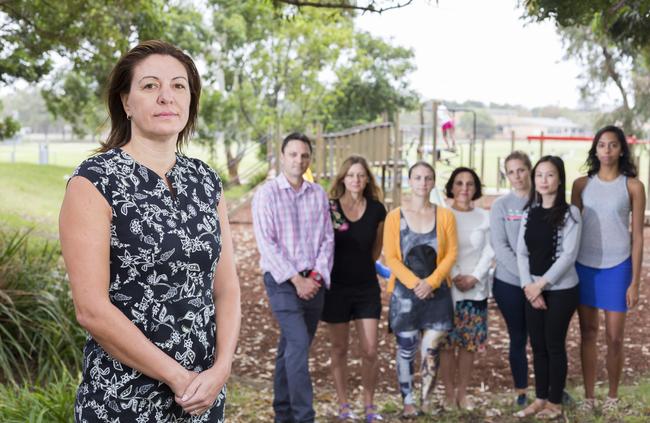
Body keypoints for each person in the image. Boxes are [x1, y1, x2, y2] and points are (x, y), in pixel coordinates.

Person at [59, 40, 241, 422]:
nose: (166, 97)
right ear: (126, 102)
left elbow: (226, 288)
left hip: (204, 397)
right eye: (149, 86)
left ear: (190, 100)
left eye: (178, 86)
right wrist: (178, 378)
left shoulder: (206, 181)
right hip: (122, 400)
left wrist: (221, 369)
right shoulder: (94, 182)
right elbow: (91, 309)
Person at [252, 132, 334, 423]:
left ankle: (282, 416)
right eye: (293, 154)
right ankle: (304, 417)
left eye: (304, 155)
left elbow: (327, 239)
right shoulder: (267, 194)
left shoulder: (318, 194)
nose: (299, 160)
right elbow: (267, 243)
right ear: (282, 156)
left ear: (310, 159)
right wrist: (296, 280)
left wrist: (315, 276)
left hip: (314, 282)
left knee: (290, 349)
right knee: (298, 345)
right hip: (282, 283)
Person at [571, 125, 645, 413]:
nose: (607, 150)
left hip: (618, 267)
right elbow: (570, 229)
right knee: (588, 333)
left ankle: (612, 398)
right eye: (602, 145)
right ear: (595, 149)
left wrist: (635, 281)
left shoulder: (633, 186)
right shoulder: (581, 185)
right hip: (584, 267)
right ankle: (589, 399)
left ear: (621, 150)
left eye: (613, 145)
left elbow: (637, 236)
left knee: (615, 337)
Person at [383, 161, 458, 417]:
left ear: (433, 182)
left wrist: (432, 282)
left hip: (437, 292)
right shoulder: (395, 216)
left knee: (432, 347)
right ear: (409, 181)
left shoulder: (445, 215)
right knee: (406, 348)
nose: (423, 183)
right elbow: (391, 257)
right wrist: (416, 283)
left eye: (427, 178)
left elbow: (451, 254)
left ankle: (426, 399)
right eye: (417, 178)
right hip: (405, 294)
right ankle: (408, 402)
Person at [515, 156, 582, 419]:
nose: (544, 180)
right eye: (539, 175)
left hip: (562, 290)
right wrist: (528, 287)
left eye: (550, 175)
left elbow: (568, 256)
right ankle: (540, 398)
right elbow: (521, 253)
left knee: (554, 345)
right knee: (537, 346)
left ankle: (555, 402)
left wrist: (541, 285)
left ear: (560, 178)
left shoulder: (570, 214)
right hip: (532, 290)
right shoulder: (528, 212)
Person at [322, 155, 387, 422]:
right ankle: (343, 405)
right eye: (351, 175)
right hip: (336, 288)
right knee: (339, 349)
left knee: (370, 349)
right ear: (343, 178)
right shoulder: (331, 208)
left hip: (366, 288)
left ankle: (369, 405)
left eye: (361, 175)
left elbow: (375, 251)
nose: (356, 180)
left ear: (367, 179)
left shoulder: (377, 210)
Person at [439, 167, 494, 411]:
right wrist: (455, 274)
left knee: (469, 344)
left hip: (475, 289)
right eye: (459, 183)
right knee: (448, 343)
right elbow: (440, 249)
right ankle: (449, 394)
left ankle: (463, 393)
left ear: (476, 188)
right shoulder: (442, 215)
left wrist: (474, 276)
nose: (464, 188)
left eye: (470, 184)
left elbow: (490, 250)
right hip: (448, 288)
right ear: (451, 187)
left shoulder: (484, 217)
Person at [489, 151, 533, 407]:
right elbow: (501, 248)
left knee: (543, 339)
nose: (517, 176)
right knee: (518, 336)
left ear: (530, 170)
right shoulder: (501, 206)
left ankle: (550, 391)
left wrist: (540, 281)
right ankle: (521, 391)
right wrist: (526, 279)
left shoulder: (543, 202)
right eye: (511, 172)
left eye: (521, 170)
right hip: (510, 283)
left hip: (541, 283)